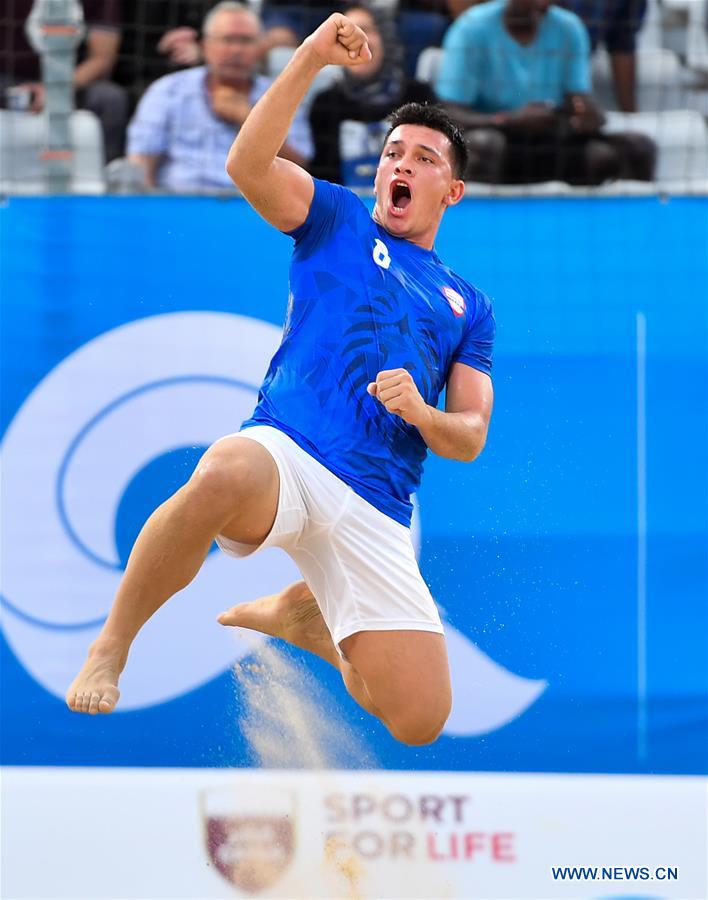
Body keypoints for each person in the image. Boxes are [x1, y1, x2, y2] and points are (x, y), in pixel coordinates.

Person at [66, 14, 495, 747]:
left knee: (421, 721)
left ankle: (309, 621)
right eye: (394, 152)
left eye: (423, 159)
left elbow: (470, 439)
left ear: (450, 190)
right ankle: (112, 643)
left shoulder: (469, 305)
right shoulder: (336, 218)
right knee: (223, 470)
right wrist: (308, 57)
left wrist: (422, 413)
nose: (402, 165)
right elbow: (246, 165)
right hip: (289, 454)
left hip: (377, 503)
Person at [435, 0, 655, 184]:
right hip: (498, 141)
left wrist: (587, 115)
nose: (542, 3)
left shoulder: (569, 28)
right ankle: (480, 225)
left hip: (550, 143)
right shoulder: (471, 28)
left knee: (635, 149)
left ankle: (599, 228)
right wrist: (508, 121)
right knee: (484, 145)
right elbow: (448, 113)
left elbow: (577, 98)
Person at [126, 1, 312, 190]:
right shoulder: (167, 90)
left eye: (246, 41)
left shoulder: (283, 93)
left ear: (260, 48)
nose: (236, 50)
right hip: (177, 205)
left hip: (253, 209)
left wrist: (248, 119)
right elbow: (140, 165)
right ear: (205, 46)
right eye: (227, 40)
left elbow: (299, 167)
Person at [309, 3, 436, 184]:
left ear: (385, 37)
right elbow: (323, 178)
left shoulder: (419, 96)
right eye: (343, 35)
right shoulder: (325, 103)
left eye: (365, 30)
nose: (355, 40)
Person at [1, 0, 129, 162]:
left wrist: (54, 89)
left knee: (110, 99)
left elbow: (102, 59)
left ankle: (105, 175)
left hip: (72, 83)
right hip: (8, 80)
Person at [560, 0, 647, 111]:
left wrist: (630, 117)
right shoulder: (556, 20)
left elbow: (623, 46)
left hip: (576, 91)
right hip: (538, 92)